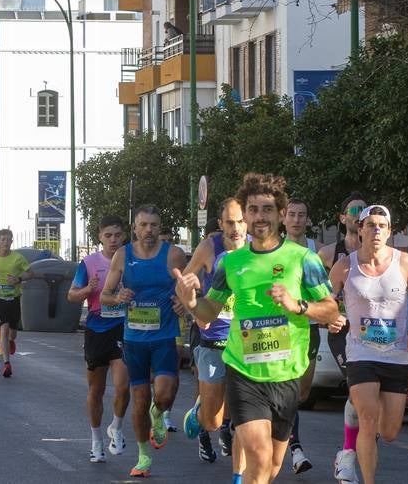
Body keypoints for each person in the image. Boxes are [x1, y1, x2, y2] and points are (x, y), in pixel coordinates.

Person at [173, 174, 338, 484]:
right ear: (246, 215)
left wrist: (298, 305)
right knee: (259, 460)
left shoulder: (303, 258)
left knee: (272, 465)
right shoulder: (231, 263)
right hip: (243, 371)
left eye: (267, 209)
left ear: (279, 214)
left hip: (286, 374)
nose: (260, 216)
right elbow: (211, 309)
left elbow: (330, 310)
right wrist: (193, 302)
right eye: (253, 209)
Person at [327, 205, 408, 484]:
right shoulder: (345, 266)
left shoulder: (404, 263)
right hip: (361, 353)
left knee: (390, 431)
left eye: (382, 225)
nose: (376, 230)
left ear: (390, 231)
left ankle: (350, 448)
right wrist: (332, 318)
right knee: (368, 420)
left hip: (397, 355)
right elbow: (325, 301)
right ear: (360, 230)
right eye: (370, 224)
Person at [100, 204, 187, 479]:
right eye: (143, 225)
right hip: (134, 339)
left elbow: (189, 289)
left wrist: (183, 303)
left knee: (163, 393)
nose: (149, 230)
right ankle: (144, 457)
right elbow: (105, 295)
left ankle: (159, 413)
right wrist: (118, 298)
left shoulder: (173, 255)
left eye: (154, 225)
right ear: (134, 228)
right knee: (138, 400)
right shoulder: (123, 256)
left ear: (160, 228)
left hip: (163, 337)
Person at [181, 198, 247, 470]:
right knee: (213, 421)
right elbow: (181, 286)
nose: (236, 228)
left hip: (246, 343)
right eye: (230, 222)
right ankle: (199, 411)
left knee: (244, 413)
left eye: (241, 221)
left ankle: (241, 475)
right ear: (220, 224)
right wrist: (195, 303)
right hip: (213, 340)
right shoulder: (209, 248)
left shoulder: (258, 249)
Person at [68, 215, 131, 463]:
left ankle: (116, 426)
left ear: (124, 236)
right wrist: (88, 289)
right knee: (96, 389)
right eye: (108, 235)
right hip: (96, 329)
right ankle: (96, 441)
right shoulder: (89, 263)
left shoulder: (131, 260)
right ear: (100, 238)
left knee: (123, 386)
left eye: (117, 235)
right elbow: (72, 296)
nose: (113, 240)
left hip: (124, 328)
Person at [321, 192, 367, 481]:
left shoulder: (379, 251)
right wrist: (328, 313)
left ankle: (359, 444)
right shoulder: (328, 254)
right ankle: (347, 454)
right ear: (343, 218)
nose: (359, 214)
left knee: (372, 403)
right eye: (354, 210)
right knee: (357, 390)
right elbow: (312, 289)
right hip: (342, 332)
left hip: (373, 333)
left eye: (364, 210)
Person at [283, 196, 318, 475]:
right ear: (284, 217)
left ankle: (283, 431)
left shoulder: (317, 251)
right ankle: (294, 447)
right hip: (280, 329)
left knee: (301, 393)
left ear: (307, 219)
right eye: (292, 214)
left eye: (301, 215)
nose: (296, 220)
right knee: (289, 389)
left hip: (310, 328)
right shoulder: (273, 248)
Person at [0, 228, 36, 377]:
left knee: (12, 333)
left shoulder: (18, 258)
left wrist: (18, 279)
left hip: (14, 297)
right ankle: (7, 363)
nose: (6, 242)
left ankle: (5, 336)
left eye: (8, 240)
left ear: (11, 241)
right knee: (5, 327)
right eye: (3, 239)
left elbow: (30, 273)